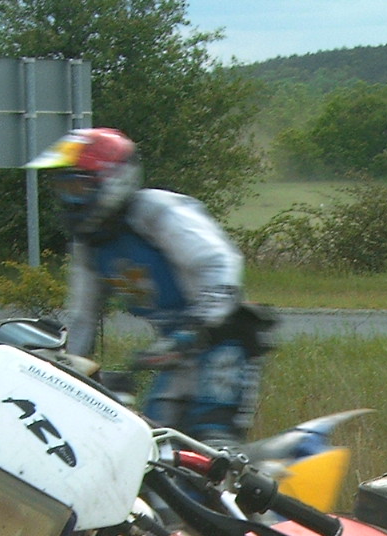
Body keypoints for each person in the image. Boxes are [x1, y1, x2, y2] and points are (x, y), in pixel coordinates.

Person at [26, 127, 266, 445]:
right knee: (151, 446)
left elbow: (219, 264)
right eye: (65, 188)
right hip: (176, 352)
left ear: (112, 180)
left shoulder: (156, 211)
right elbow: (82, 318)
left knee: (215, 446)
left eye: (79, 187)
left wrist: (196, 327)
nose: (71, 200)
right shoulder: (89, 244)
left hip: (226, 343)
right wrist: (68, 375)